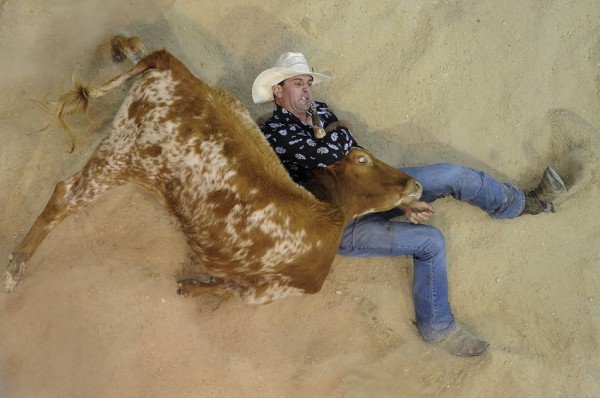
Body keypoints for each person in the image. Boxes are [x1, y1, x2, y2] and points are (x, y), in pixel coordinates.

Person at [251, 52, 566, 357]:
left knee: (452, 174)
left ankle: (521, 203)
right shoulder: (274, 132)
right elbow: (334, 154)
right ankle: (438, 328)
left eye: (308, 81)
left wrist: (401, 199)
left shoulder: (321, 110)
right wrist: (345, 143)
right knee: (431, 241)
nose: (306, 88)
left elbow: (358, 156)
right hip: (338, 224)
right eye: (297, 83)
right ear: (277, 91)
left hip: (369, 192)